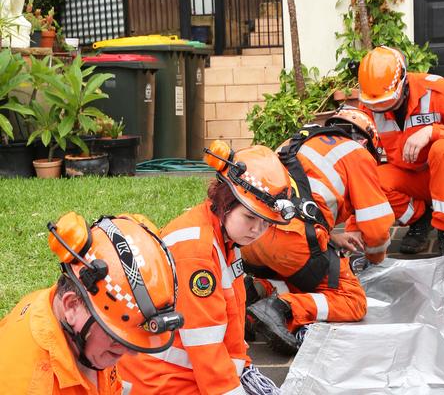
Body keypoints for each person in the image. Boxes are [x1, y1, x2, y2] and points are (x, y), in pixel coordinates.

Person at [118, 141, 294, 395]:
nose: (257, 230)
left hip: (178, 375)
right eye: (249, 218)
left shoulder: (222, 236)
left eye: (265, 222)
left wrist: (241, 368)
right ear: (226, 200)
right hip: (161, 382)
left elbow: (228, 321)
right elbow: (205, 346)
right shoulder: (197, 252)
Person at [242, 106, 395, 354]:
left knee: (305, 275)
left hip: (250, 237)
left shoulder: (296, 142)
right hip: (290, 243)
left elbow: (296, 197)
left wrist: (333, 238)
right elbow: (376, 229)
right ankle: (282, 308)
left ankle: (257, 290)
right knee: (351, 301)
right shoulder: (358, 153)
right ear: (366, 140)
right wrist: (375, 257)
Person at [0, 212, 183, 394]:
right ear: (71, 305)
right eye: (115, 333)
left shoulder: (77, 326)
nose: (131, 351)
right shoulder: (31, 385)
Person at [357, 46, 444, 256]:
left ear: (403, 81)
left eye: (388, 103)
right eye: (376, 106)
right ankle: (420, 219)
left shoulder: (437, 91)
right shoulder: (370, 104)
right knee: (367, 178)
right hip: (411, 178)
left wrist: (433, 131)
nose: (382, 110)